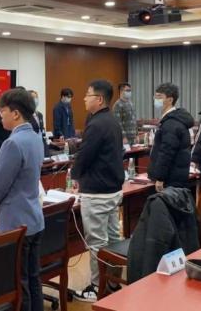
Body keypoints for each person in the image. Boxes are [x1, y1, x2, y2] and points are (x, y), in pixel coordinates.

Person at [0, 89, 45, 311]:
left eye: (2, 111)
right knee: (33, 277)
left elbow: (0, 183)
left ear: (16, 113)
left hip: (15, 221)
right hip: (34, 218)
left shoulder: (13, 143)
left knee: (19, 283)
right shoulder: (35, 137)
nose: (0, 116)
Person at [70, 80, 125, 302]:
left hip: (97, 193)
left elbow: (85, 155)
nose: (84, 98)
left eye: (88, 94)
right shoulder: (111, 120)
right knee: (113, 240)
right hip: (112, 190)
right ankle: (112, 282)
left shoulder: (96, 124)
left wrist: (74, 175)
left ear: (99, 99)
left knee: (97, 243)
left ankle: (96, 288)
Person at [147, 83, 194, 193]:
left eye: (160, 97)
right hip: (175, 175)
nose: (156, 100)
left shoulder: (171, 123)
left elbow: (166, 153)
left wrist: (160, 177)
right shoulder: (172, 119)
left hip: (170, 178)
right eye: (155, 96)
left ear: (170, 100)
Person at [28, 90, 50, 157]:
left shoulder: (40, 115)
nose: (35, 100)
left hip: (41, 145)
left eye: (36, 97)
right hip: (31, 147)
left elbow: (42, 131)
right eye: (33, 98)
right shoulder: (25, 116)